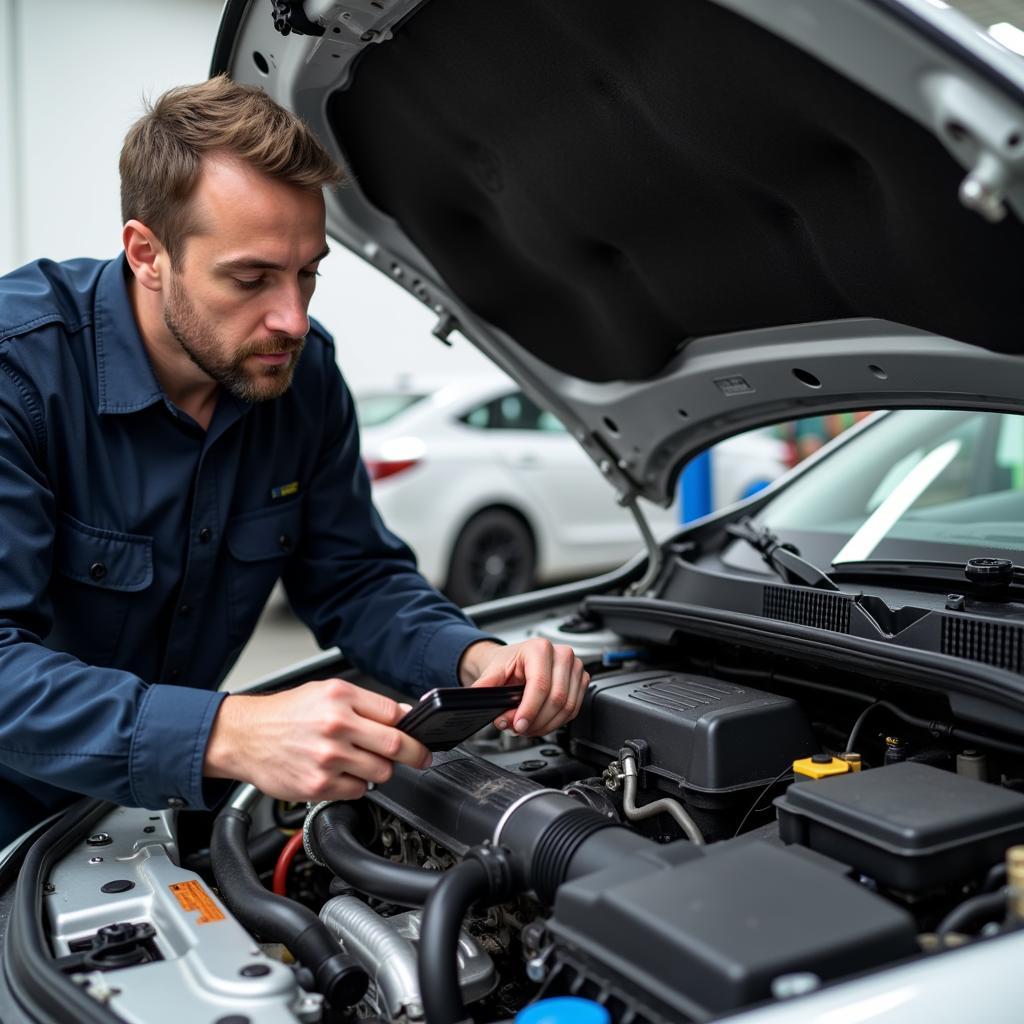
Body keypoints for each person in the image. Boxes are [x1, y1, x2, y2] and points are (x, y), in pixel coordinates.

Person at [0, 77, 588, 846]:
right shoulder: (21, 378)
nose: (293, 318)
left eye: (308, 272)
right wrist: (229, 733)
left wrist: (474, 657)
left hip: (149, 818)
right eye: (251, 279)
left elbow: (357, 576)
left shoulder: (301, 379)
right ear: (148, 254)